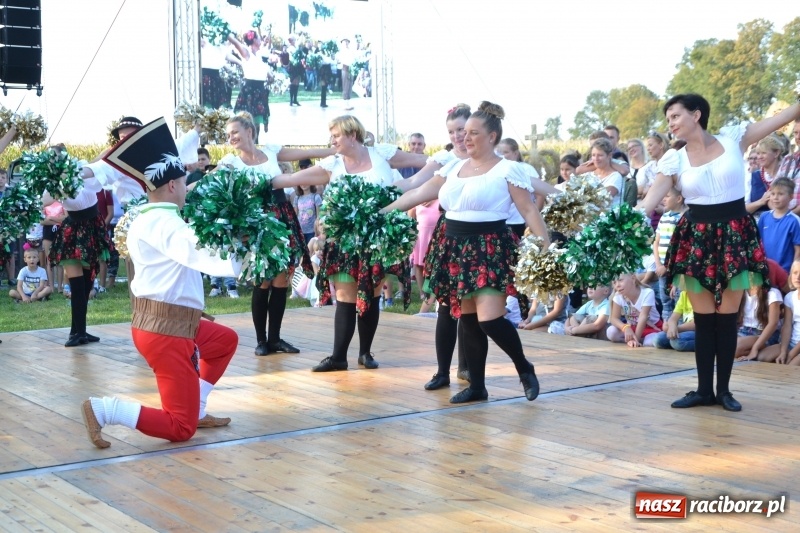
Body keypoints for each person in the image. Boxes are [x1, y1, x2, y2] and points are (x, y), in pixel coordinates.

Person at [80, 117, 242, 449]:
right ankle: (105, 409)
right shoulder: (166, 224)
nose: (187, 187)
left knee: (223, 342)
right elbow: (205, 256)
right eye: (184, 182)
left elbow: (176, 270)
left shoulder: (151, 217)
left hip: (169, 321)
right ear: (171, 186)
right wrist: (252, 252)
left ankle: (195, 406)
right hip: (166, 332)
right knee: (180, 428)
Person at [380, 101, 553, 404]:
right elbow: (417, 194)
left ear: (493, 137)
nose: (466, 138)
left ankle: (524, 367)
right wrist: (380, 213)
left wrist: (546, 247)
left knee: (489, 320)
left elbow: (529, 209)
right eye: (464, 133)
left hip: (490, 247)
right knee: (469, 320)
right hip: (454, 247)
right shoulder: (453, 167)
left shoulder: (508, 170)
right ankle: (477, 386)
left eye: (474, 133)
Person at [639, 92, 800, 411]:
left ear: (696, 115)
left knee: (727, 319)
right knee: (704, 319)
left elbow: (780, 119)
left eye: (675, 115)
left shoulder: (733, 139)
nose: (670, 122)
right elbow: (647, 203)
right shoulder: (674, 160)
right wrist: (620, 223)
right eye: (668, 118)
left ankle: (724, 390)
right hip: (696, 239)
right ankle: (702, 390)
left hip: (734, 235)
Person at [271, 115, 428, 371]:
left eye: (336, 136)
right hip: (343, 241)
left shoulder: (382, 155)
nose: (332, 141)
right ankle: (338, 356)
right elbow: (293, 179)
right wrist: (266, 180)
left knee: (372, 294)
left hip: (377, 239)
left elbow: (424, 162)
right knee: (345, 297)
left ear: (352, 135)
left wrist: (451, 161)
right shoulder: (333, 164)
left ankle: (365, 353)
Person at [219, 113, 336, 356]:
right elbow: (212, 187)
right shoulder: (231, 162)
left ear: (250, 131)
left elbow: (303, 153)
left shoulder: (271, 152)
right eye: (228, 134)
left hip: (282, 217)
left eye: (235, 132)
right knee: (262, 281)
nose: (231, 137)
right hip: (257, 223)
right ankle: (261, 341)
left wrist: (333, 151)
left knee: (282, 280)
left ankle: (275, 339)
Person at [50, 144, 114, 347]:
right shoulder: (54, 182)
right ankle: (78, 333)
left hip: (92, 227)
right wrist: (57, 184)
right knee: (78, 285)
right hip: (73, 231)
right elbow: (45, 200)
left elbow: (101, 158)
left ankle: (78, 331)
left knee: (87, 283)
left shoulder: (82, 169)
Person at [230, 31, 271, 142]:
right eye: (258, 38)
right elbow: (235, 43)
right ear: (253, 40)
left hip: (260, 90)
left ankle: (255, 146)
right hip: (250, 90)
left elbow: (262, 69)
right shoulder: (246, 52)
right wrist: (224, 31)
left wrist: (270, 75)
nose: (260, 40)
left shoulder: (259, 54)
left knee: (256, 125)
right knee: (248, 123)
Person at [653, 187, 687, 321]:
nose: (663, 199)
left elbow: (682, 246)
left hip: (676, 269)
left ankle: (677, 329)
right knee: (665, 301)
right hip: (662, 268)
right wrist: (658, 264)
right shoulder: (664, 217)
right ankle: (666, 330)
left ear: (679, 199)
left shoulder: (684, 218)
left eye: (667, 196)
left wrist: (669, 267)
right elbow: (656, 242)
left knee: (678, 300)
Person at [606, 273, 663, 347]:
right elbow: (614, 318)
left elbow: (643, 317)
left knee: (649, 342)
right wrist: (625, 328)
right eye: (614, 282)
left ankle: (636, 341)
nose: (617, 285)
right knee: (611, 332)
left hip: (651, 328)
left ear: (633, 279)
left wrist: (636, 339)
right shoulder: (618, 296)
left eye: (620, 280)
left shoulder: (647, 292)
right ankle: (633, 341)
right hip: (632, 327)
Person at [757, 177, 800, 274]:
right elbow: (758, 242)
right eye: (773, 194)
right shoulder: (764, 217)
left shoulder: (794, 221)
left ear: (790, 196)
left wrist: (794, 272)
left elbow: (798, 250)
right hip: (766, 269)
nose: (775, 197)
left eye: (780, 194)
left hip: (785, 271)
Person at [733, 284, 782, 361]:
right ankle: (761, 354)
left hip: (764, 334)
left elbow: (773, 324)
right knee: (724, 347)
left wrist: (754, 349)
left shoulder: (772, 293)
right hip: (743, 331)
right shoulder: (741, 290)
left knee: (734, 347)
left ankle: (761, 351)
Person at [746, 135, 786, 215]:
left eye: (763, 153)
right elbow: (743, 209)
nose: (759, 157)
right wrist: (761, 201)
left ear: (776, 153)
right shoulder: (751, 177)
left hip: (785, 225)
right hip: (758, 225)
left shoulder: (787, 175)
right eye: (758, 153)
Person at [337, 38, 355, 110]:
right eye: (344, 42)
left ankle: (348, 102)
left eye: (347, 42)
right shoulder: (341, 52)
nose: (346, 44)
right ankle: (345, 103)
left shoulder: (350, 51)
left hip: (351, 69)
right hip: (345, 68)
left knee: (349, 85)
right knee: (345, 85)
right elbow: (341, 61)